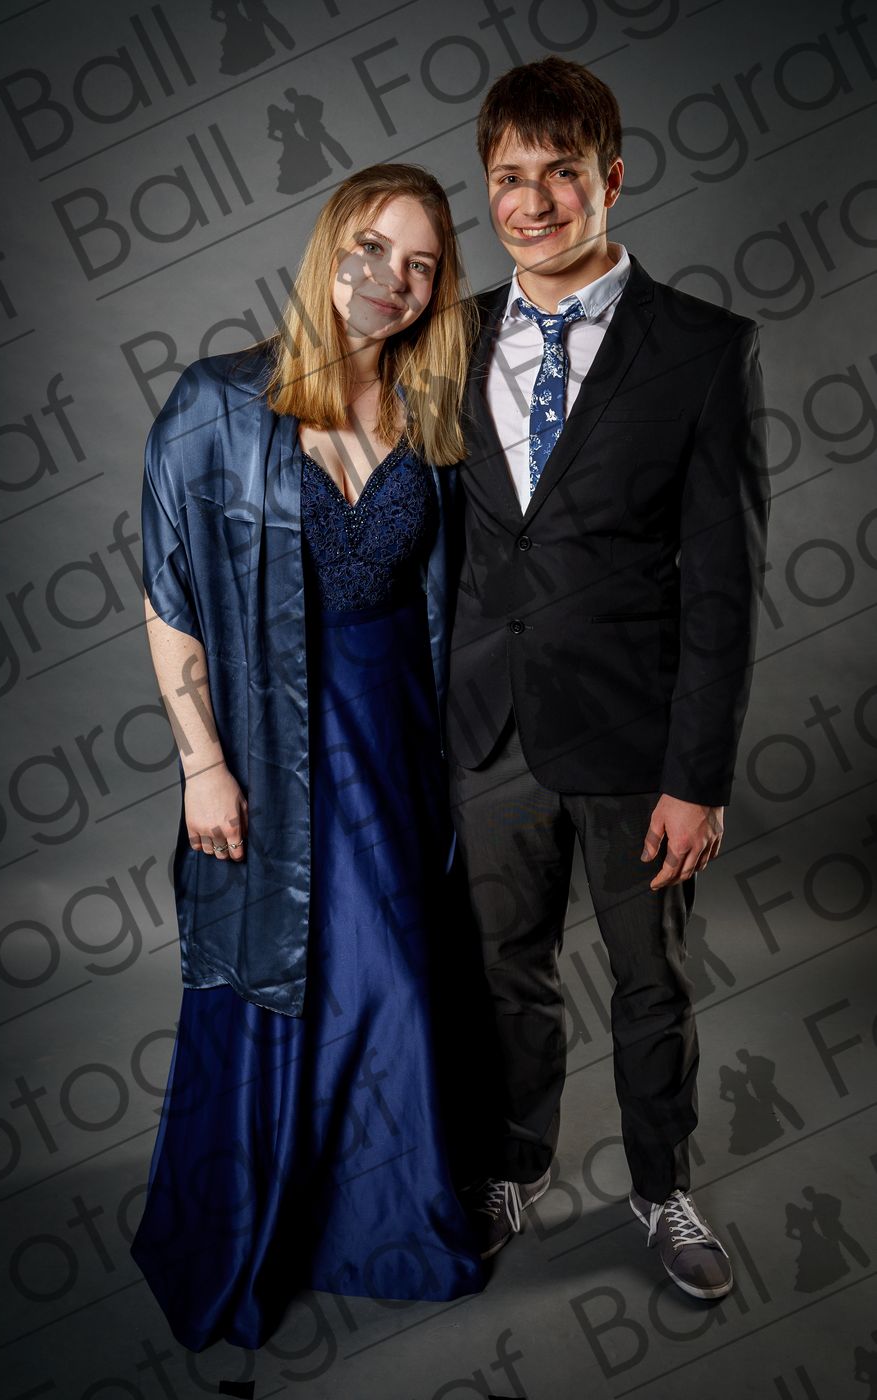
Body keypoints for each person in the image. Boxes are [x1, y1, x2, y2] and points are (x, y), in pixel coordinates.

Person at [130, 162, 486, 1351]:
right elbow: (169, 596)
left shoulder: (433, 420)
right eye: (373, 247)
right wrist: (201, 763)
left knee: (390, 977)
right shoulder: (216, 402)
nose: (392, 278)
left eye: (421, 264)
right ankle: (251, 1228)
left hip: (394, 737)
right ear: (330, 246)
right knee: (280, 971)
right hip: (270, 738)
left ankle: (380, 1219)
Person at [447, 57, 770, 1300]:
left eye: (561, 173)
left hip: (639, 743)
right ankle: (512, 1161)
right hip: (487, 730)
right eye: (508, 178)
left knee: (652, 978)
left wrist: (700, 776)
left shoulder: (703, 349)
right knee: (502, 971)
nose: (532, 203)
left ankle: (662, 1184)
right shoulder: (448, 336)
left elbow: (725, 584)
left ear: (613, 178)